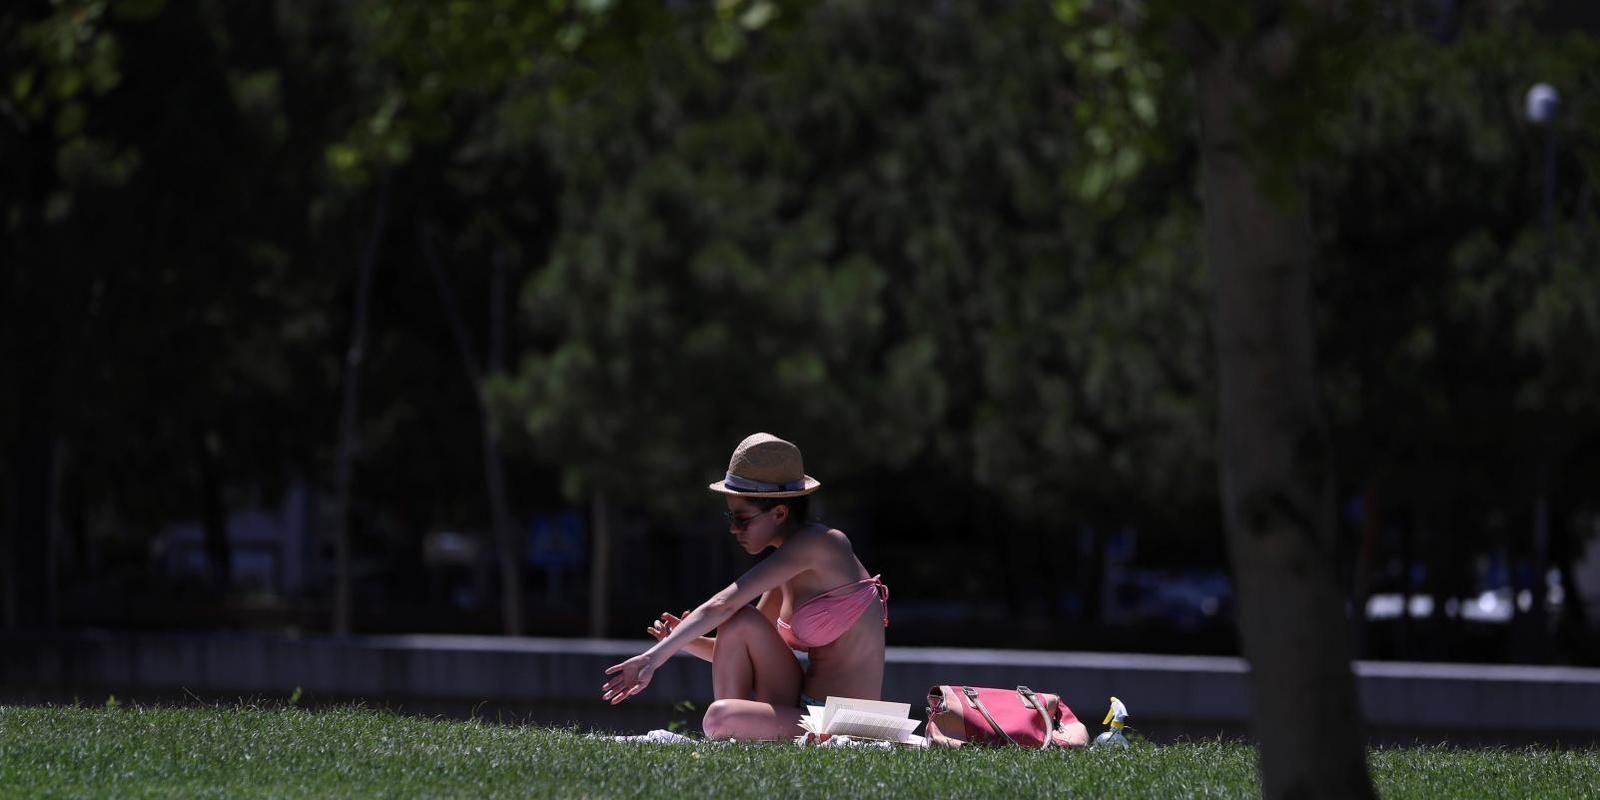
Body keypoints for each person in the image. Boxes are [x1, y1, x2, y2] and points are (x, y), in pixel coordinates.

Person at [601, 432, 888, 741]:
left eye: (742, 518)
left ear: (779, 512)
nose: (733, 529)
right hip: (805, 709)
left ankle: (729, 743)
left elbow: (722, 603)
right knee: (739, 621)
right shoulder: (787, 565)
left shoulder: (824, 545)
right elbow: (737, 642)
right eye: (730, 516)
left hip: (852, 723)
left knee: (720, 716)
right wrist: (684, 640)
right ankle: (733, 743)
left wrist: (651, 659)